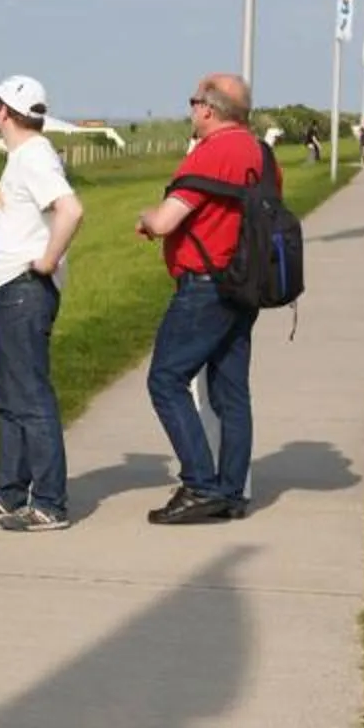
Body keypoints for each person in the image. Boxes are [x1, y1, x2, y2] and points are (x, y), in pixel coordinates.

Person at [134, 72, 270, 524]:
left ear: (208, 109)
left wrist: (147, 218)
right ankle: (231, 491)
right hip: (244, 283)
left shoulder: (210, 154)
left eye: (194, 101)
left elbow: (168, 221)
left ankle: (198, 484)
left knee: (166, 379)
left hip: (205, 283)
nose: (191, 110)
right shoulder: (260, 154)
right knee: (232, 392)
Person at [0, 74, 84, 531]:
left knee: (29, 397)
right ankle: (9, 493)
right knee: (9, 396)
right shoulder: (26, 157)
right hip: (7, 291)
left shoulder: (32, 156)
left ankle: (49, 502)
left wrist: (47, 262)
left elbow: (71, 210)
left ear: (5, 112)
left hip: (23, 291)